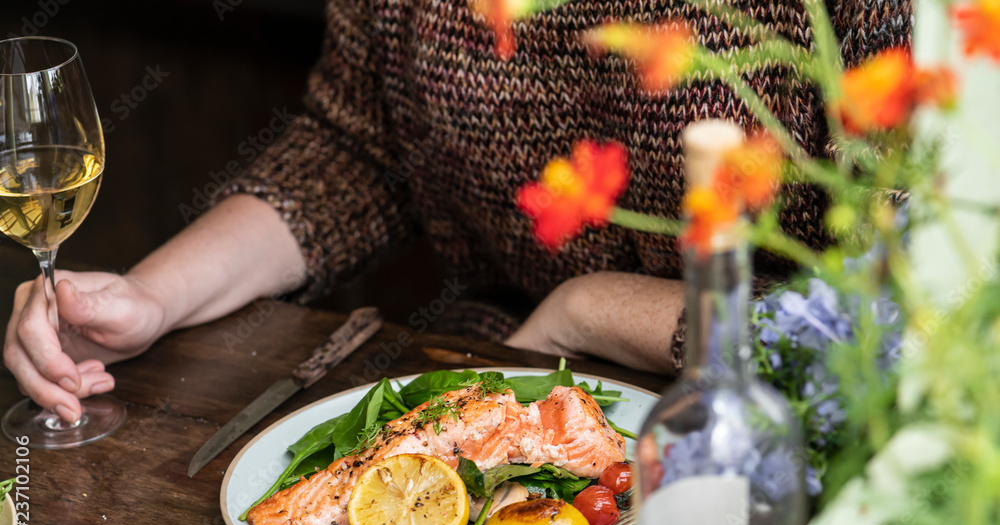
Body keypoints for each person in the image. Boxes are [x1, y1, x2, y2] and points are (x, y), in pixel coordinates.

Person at [2, 0, 909, 425]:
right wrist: (151, 297)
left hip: (789, 420)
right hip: (509, 366)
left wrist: (593, 309)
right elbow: (357, 147)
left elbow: (907, 318)